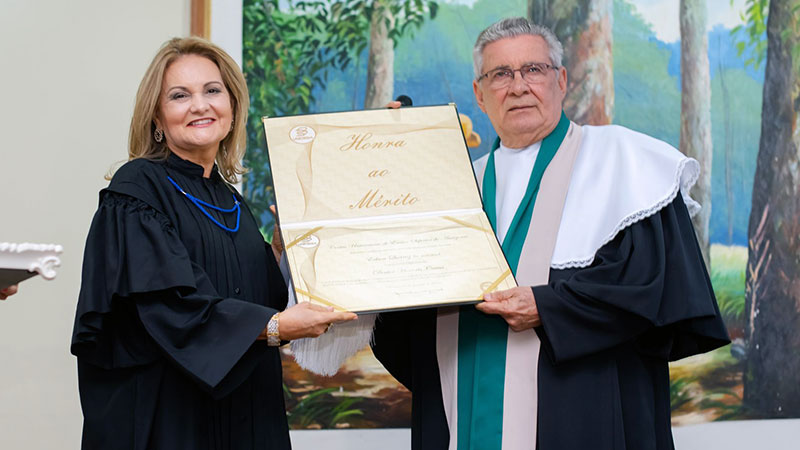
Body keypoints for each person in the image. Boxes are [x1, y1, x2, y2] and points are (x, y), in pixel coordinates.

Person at [372, 17, 730, 450]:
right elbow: (400, 316)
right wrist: (387, 171)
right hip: (460, 408)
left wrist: (547, 305)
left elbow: (651, 290)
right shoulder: (456, 188)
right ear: (479, 95)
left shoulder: (624, 164)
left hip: (584, 416)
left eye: (533, 70)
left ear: (561, 81)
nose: (518, 86)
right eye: (500, 74)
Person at [70, 37, 356, 450]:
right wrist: (274, 326)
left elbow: (255, 296)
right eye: (179, 95)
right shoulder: (136, 190)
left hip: (246, 413)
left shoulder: (230, 200)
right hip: (173, 417)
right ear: (157, 116)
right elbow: (171, 307)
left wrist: (279, 248)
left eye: (212, 90)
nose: (200, 105)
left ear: (232, 104)